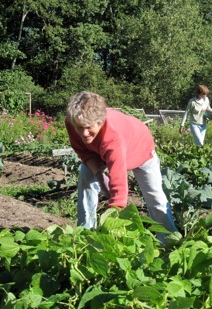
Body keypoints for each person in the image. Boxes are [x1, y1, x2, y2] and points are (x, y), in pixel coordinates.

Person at [65, 91, 178, 244]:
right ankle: (84, 234)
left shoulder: (112, 138)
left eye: (88, 127)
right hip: (102, 152)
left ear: (100, 121)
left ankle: (170, 240)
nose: (84, 133)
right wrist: (98, 174)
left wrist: (112, 221)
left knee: (154, 196)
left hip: (140, 148)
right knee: (86, 175)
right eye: (79, 128)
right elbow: (84, 152)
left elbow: (119, 191)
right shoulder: (72, 123)